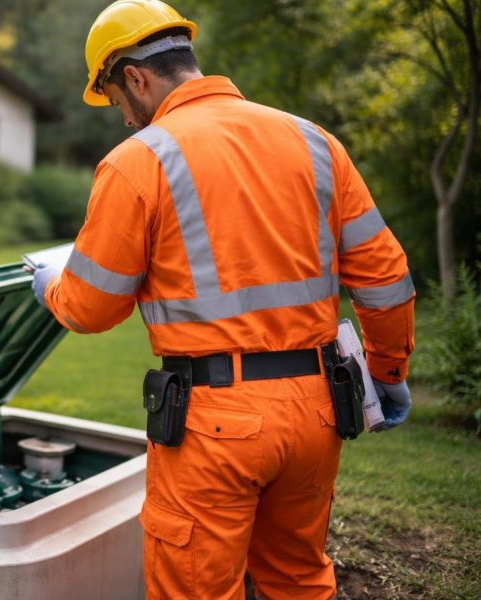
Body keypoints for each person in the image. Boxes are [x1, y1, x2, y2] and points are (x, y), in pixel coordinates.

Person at [30, 1, 415, 598]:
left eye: (114, 99)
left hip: (216, 425)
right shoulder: (315, 142)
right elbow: (385, 276)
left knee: (196, 588)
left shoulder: (139, 161)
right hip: (318, 411)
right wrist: (388, 373)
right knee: (298, 578)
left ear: (135, 77)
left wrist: (48, 286)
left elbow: (90, 307)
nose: (123, 118)